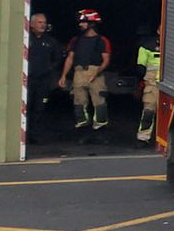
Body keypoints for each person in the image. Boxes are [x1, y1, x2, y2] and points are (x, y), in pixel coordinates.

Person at [59, 9, 111, 132]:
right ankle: (82, 126)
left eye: (83, 22)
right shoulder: (75, 40)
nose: (80, 25)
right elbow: (70, 58)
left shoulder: (102, 40)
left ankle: (100, 127)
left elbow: (106, 60)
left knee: (99, 101)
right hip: (79, 72)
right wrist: (63, 76)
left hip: (96, 72)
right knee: (78, 101)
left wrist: (97, 73)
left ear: (92, 24)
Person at [27, 13, 64, 143]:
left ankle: (34, 136)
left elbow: (59, 57)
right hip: (27, 80)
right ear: (31, 24)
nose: (43, 25)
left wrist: (49, 68)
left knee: (39, 108)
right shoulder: (25, 39)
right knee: (25, 107)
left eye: (44, 22)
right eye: (39, 22)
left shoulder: (50, 41)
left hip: (43, 81)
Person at [136, 30, 161, 146]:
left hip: (171, 86)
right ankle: (142, 138)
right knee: (148, 111)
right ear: (157, 30)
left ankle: (162, 140)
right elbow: (140, 67)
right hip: (152, 84)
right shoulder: (146, 45)